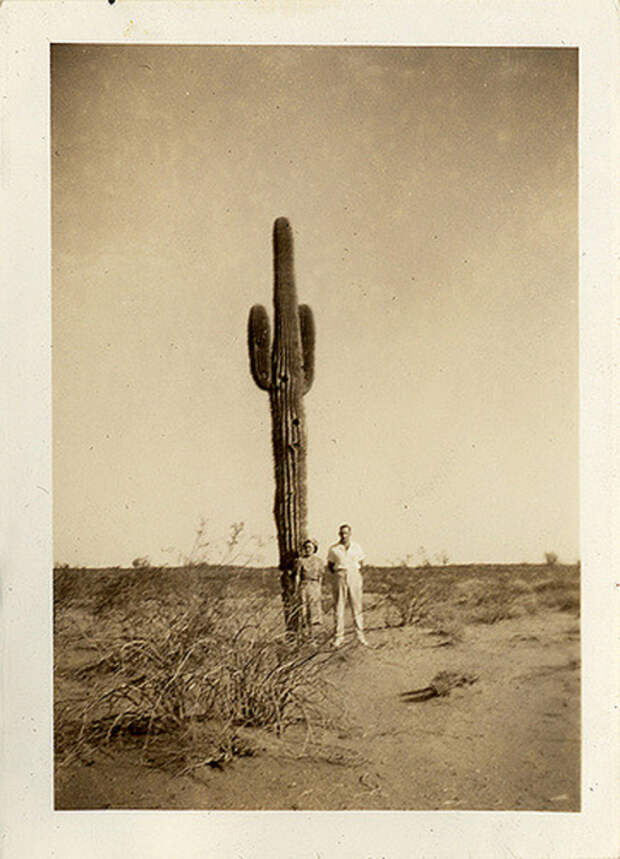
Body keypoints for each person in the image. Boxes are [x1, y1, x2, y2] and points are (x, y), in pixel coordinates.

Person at [327, 524, 369, 648]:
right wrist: (339, 574)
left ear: (350, 534)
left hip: (354, 575)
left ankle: (360, 636)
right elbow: (330, 565)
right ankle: (338, 637)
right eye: (341, 533)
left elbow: (361, 562)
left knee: (356, 606)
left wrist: (354, 573)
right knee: (339, 606)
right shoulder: (334, 549)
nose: (344, 535)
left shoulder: (357, 547)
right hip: (340, 575)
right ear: (338, 534)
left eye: (346, 533)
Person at [294, 537, 324, 638]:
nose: (308, 549)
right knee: (303, 611)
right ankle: (303, 635)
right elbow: (297, 575)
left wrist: (319, 589)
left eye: (310, 547)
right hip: (304, 585)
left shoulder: (319, 561)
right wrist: (297, 588)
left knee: (314, 611)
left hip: (314, 586)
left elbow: (320, 576)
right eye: (306, 547)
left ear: (314, 548)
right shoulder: (300, 560)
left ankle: (313, 636)